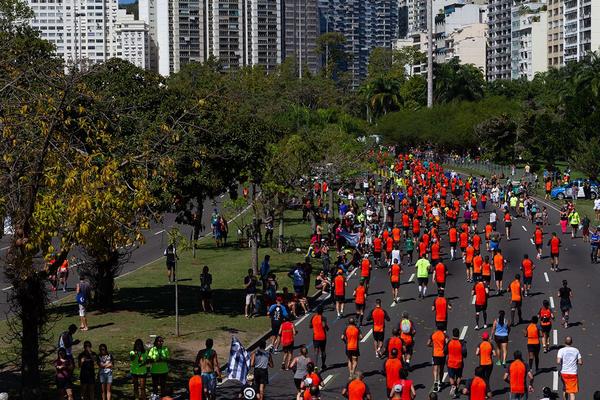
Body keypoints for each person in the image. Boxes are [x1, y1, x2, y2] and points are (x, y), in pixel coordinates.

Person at [447, 328, 467, 399]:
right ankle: (457, 389)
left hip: (450, 363)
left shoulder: (449, 342)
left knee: (451, 377)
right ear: (458, 334)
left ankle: (453, 385)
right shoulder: (461, 343)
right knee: (459, 376)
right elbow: (464, 353)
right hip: (459, 363)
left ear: (453, 334)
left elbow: (445, 351)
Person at [427, 328, 447, 393]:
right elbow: (447, 343)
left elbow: (428, 344)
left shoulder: (433, 334)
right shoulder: (444, 335)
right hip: (442, 354)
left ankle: (435, 381)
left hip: (435, 354)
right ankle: (440, 382)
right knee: (441, 369)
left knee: (435, 368)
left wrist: (433, 345)